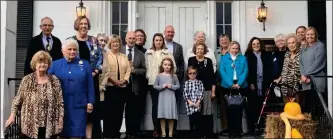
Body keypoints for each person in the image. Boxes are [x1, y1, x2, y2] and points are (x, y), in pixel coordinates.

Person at [6, 51, 64, 138]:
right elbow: (17, 99)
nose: (43, 64)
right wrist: (12, 116)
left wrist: (60, 120)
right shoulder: (27, 80)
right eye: (40, 62)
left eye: (45, 62)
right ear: (35, 64)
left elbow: (60, 102)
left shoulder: (54, 80)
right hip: (29, 124)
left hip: (50, 124)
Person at [48, 39, 95, 138]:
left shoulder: (85, 64)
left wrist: (90, 102)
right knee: (62, 133)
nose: (72, 52)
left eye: (75, 49)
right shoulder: (55, 65)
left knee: (77, 133)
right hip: (60, 105)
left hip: (79, 105)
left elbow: (90, 85)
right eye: (69, 49)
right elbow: (48, 83)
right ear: (63, 50)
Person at [66, 16, 103, 138]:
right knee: (76, 110)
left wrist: (95, 71)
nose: (83, 26)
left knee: (91, 112)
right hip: (75, 81)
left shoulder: (94, 41)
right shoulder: (69, 40)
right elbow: (66, 59)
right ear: (77, 25)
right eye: (81, 23)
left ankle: (89, 136)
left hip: (92, 81)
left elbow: (100, 58)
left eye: (86, 24)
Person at [145, 33, 177, 138]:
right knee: (156, 106)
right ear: (153, 41)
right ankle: (156, 128)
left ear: (163, 41)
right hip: (153, 83)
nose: (158, 42)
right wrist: (148, 76)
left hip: (166, 82)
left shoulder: (168, 53)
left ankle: (169, 130)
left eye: (160, 40)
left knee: (167, 105)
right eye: (156, 40)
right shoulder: (148, 53)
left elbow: (174, 67)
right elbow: (146, 67)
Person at [100, 34, 131, 138]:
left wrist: (125, 80)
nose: (115, 44)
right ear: (110, 44)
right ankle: (108, 135)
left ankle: (116, 134)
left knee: (119, 112)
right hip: (110, 88)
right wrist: (113, 81)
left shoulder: (124, 56)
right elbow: (104, 71)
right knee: (109, 113)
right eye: (113, 42)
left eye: (117, 42)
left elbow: (128, 70)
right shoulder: (106, 56)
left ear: (120, 43)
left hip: (122, 89)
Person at [220, 41, 248, 138]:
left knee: (239, 110)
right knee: (229, 110)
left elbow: (245, 71)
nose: (234, 50)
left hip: (241, 85)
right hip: (227, 86)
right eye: (233, 48)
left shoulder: (243, 58)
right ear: (229, 49)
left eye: (236, 48)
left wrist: (239, 83)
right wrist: (230, 84)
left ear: (239, 49)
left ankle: (238, 132)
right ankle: (231, 132)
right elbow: (222, 71)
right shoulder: (224, 58)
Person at [121, 31, 147, 138]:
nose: (131, 40)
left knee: (132, 111)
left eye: (133, 38)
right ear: (126, 39)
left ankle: (131, 132)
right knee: (119, 110)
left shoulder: (140, 54)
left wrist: (134, 71)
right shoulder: (120, 51)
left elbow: (144, 70)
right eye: (130, 38)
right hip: (121, 86)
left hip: (134, 86)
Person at [188, 43, 216, 138]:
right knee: (196, 114)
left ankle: (208, 134)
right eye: (198, 48)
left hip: (207, 90)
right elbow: (189, 74)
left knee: (207, 114)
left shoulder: (208, 61)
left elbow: (213, 77)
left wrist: (213, 91)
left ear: (204, 50)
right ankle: (197, 135)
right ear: (195, 50)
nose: (200, 50)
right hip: (194, 91)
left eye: (201, 49)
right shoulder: (191, 60)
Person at [244, 37, 272, 134]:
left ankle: (262, 128)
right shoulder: (248, 55)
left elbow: (269, 70)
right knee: (252, 107)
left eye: (258, 44)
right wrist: (251, 83)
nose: (256, 46)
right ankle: (252, 129)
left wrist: (268, 83)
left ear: (261, 44)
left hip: (264, 84)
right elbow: (247, 71)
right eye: (254, 44)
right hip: (252, 85)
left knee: (263, 107)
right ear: (251, 46)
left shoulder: (266, 55)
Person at [164, 25, 185, 135]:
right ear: (164, 33)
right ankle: (162, 130)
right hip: (162, 81)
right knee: (162, 105)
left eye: (172, 32)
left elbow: (181, 63)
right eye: (168, 32)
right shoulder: (159, 45)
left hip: (174, 80)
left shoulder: (178, 47)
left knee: (174, 105)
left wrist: (178, 75)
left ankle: (173, 130)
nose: (170, 34)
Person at [300, 27, 327, 113]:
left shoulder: (320, 46)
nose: (309, 36)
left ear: (315, 35)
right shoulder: (304, 47)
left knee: (318, 105)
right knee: (308, 105)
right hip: (306, 80)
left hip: (317, 78)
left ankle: (320, 126)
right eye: (308, 34)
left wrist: (306, 74)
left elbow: (318, 62)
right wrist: (302, 75)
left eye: (312, 34)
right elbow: (301, 63)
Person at [154, 57, 180, 138]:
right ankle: (163, 132)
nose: (167, 66)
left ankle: (171, 133)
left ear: (171, 66)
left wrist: (171, 86)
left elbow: (178, 86)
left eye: (169, 65)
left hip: (171, 97)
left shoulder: (174, 76)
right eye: (165, 64)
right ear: (162, 65)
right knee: (162, 115)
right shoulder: (159, 76)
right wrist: (162, 86)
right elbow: (155, 86)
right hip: (162, 97)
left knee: (170, 115)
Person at [274, 33, 302, 103]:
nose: (291, 45)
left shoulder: (302, 53)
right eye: (289, 43)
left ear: (297, 42)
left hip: (297, 86)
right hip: (285, 86)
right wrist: (280, 79)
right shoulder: (287, 54)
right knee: (287, 109)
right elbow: (284, 69)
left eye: (293, 42)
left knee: (297, 109)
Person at [183, 66, 204, 138]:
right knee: (191, 121)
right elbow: (185, 93)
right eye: (190, 73)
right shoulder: (186, 83)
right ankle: (192, 135)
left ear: (196, 74)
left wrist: (198, 102)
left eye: (194, 73)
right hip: (190, 105)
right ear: (188, 74)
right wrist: (189, 101)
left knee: (198, 120)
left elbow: (201, 92)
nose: (192, 75)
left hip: (198, 104)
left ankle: (198, 135)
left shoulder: (199, 82)